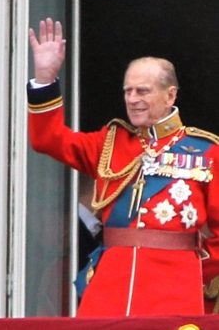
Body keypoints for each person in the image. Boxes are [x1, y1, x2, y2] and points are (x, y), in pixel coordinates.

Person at [27, 17, 219, 317]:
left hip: (177, 290)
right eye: (127, 91)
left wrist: (196, 273)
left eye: (142, 91)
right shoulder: (110, 143)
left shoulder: (208, 152)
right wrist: (44, 79)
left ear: (170, 95)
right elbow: (48, 140)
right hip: (110, 290)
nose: (132, 99)